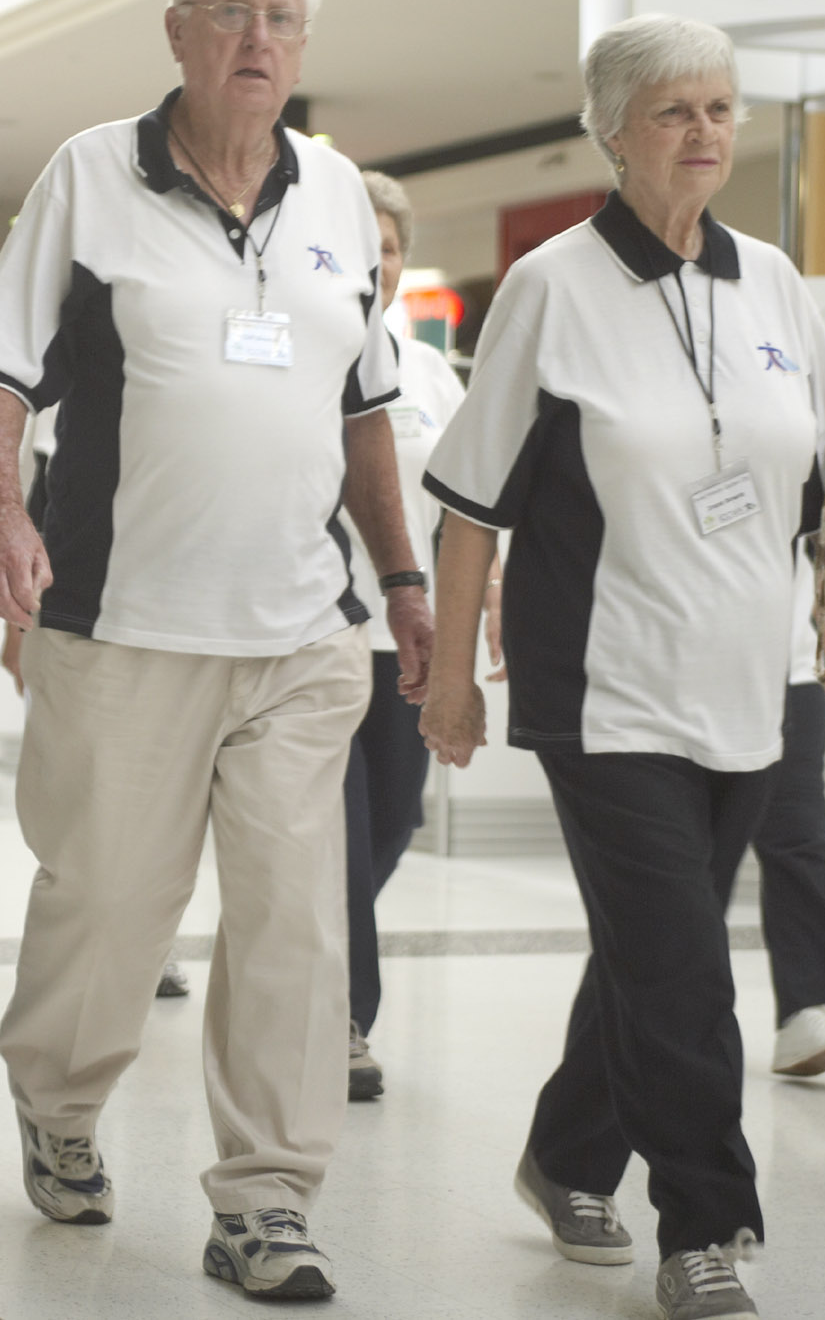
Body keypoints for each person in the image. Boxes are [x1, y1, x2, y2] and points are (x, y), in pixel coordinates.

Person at [417, 13, 825, 1320]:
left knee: (656, 952)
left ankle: (566, 1148)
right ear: (612, 130)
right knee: (684, 969)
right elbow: (472, 505)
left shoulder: (774, 283)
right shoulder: (548, 286)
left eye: (719, 108)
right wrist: (447, 671)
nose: (704, 133)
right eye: (672, 111)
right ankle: (703, 1221)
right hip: (603, 686)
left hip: (752, 684)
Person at [0, 0, 428, 1302]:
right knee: (110, 902)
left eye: (280, 17)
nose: (256, 40)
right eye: (227, 13)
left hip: (299, 630)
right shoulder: (88, 177)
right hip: (121, 620)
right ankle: (56, 1098)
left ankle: (267, 1196)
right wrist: (0, 514)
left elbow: (365, 409)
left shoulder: (338, 192)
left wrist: (400, 580)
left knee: (293, 920)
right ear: (174, 31)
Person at [337, 169, 482, 1102]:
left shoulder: (430, 370)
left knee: (394, 819)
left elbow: (470, 507)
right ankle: (344, 1017)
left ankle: (306, 949)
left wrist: (474, 617)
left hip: (410, 634)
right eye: (356, 245)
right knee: (337, 833)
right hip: (316, 628)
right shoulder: (299, 354)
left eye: (385, 248)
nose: (373, 263)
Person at [749, 548, 825, 1078]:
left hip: (791, 665)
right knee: (688, 854)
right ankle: (666, 1014)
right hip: (682, 671)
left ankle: (807, 1008)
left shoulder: (824, 456)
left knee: (800, 840)